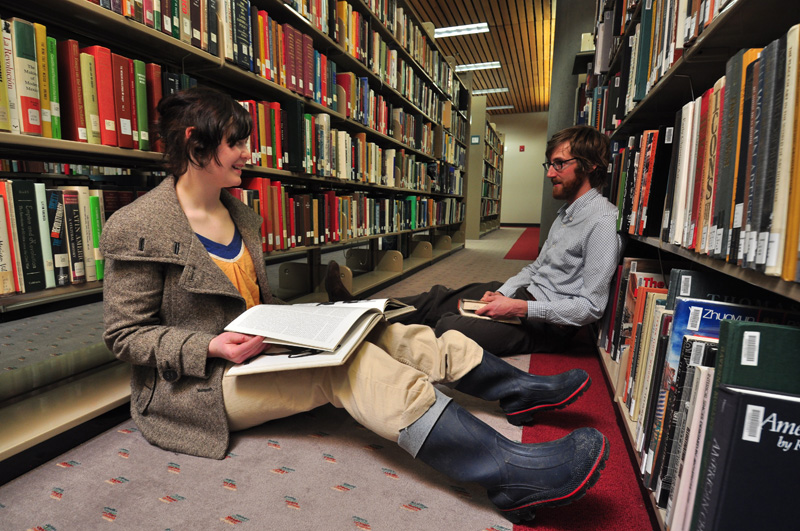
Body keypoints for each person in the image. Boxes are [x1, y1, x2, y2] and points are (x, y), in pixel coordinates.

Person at [100, 87, 608, 524]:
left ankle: (514, 390)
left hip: (258, 349)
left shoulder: (242, 215)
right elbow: (125, 336)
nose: (247, 154)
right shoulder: (139, 226)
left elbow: (256, 302)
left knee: (386, 326)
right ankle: (507, 471)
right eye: (236, 143)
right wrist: (211, 343)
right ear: (195, 144)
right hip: (201, 383)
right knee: (350, 364)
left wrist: (312, 322)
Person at [327, 125, 621, 357]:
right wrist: (504, 293)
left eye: (559, 164)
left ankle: (360, 333)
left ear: (590, 165)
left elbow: (591, 308)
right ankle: (354, 310)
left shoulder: (602, 222)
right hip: (522, 297)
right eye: (549, 164)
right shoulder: (566, 213)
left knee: (448, 327)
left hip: (546, 324)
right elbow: (535, 269)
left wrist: (517, 308)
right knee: (438, 298)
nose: (550, 173)